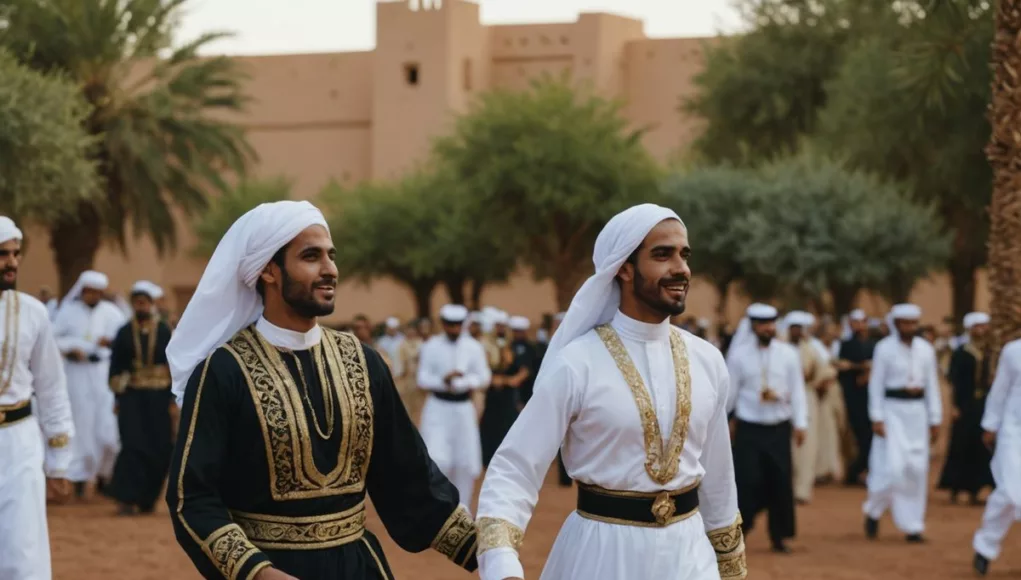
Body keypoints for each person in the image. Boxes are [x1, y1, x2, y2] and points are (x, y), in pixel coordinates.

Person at [165, 201, 478, 580]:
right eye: (311, 257)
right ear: (268, 270)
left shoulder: (363, 362)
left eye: (331, 256)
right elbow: (192, 498)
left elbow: (408, 478)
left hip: (358, 569)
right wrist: (258, 573)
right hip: (267, 570)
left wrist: (486, 551)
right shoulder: (223, 370)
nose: (330, 270)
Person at [476, 204, 746, 580]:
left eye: (684, 254)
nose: (681, 268)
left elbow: (718, 475)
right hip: (600, 554)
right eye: (662, 254)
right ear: (624, 267)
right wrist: (502, 564)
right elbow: (515, 467)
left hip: (690, 555)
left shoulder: (708, 360)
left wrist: (730, 566)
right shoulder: (577, 362)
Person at [0, 217, 74, 580]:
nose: (11, 262)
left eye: (15, 253)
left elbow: (52, 388)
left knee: (21, 550)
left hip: (19, 444)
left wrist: (59, 460)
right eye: (2, 254)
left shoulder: (33, 312)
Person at [726, 303, 807, 553]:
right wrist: (723, 421)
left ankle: (779, 536)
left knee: (780, 482)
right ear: (753, 326)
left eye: (771, 323)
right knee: (748, 481)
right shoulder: (738, 355)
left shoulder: (788, 354)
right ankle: (742, 529)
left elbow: (798, 391)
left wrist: (801, 423)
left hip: (779, 429)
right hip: (750, 430)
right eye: (762, 324)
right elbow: (730, 394)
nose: (768, 328)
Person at [863, 303, 941, 543]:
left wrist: (935, 418)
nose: (909, 327)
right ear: (896, 325)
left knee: (916, 470)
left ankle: (913, 526)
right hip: (892, 412)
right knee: (892, 469)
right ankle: (873, 510)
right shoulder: (884, 349)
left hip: (917, 414)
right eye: (905, 323)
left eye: (913, 323)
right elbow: (876, 384)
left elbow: (932, 386)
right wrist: (877, 417)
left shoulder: (926, 350)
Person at [52, 269, 126, 498]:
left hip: (103, 374)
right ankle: (79, 479)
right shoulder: (68, 312)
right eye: (90, 292)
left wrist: (110, 342)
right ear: (83, 291)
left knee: (107, 429)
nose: (94, 296)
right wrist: (71, 348)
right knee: (81, 426)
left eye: (98, 292)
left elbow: (126, 342)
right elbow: (53, 339)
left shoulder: (112, 313)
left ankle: (105, 475)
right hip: (77, 374)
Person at [106, 281, 175, 515]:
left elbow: (175, 365)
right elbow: (115, 366)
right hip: (132, 397)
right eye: (137, 302)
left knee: (160, 447)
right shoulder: (124, 332)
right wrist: (119, 393)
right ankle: (126, 498)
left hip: (158, 398)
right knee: (133, 445)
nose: (141, 306)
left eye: (144, 302)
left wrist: (174, 398)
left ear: (151, 304)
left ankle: (147, 498)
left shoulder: (165, 331)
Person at [416, 304, 491, 509]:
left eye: (458, 325)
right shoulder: (431, 346)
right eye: (450, 325)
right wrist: (444, 380)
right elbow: (422, 378)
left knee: (466, 462)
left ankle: (463, 509)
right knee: (438, 459)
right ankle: (440, 510)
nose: (454, 329)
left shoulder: (473, 347)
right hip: (437, 407)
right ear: (443, 324)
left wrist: (463, 382)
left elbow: (484, 377)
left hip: (463, 408)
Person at [972, 337, 1021, 576]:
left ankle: (984, 547)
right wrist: (990, 424)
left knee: (1007, 495)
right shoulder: (1013, 351)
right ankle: (986, 543)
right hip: (1014, 431)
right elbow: (1000, 389)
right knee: (1013, 492)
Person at [938, 312, 995, 505]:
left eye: (984, 326)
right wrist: (954, 406)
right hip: (965, 404)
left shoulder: (988, 352)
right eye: (978, 326)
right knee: (961, 444)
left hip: (983, 404)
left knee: (981, 446)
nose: (982, 330)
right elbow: (954, 380)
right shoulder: (961, 352)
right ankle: (956, 486)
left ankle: (976, 489)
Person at [784, 311, 834, 505]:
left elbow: (828, 372)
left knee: (806, 444)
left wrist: (816, 382)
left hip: (807, 397)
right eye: (793, 328)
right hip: (783, 400)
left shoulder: (812, 349)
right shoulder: (780, 348)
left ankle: (802, 490)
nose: (796, 331)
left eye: (799, 328)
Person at [480, 314, 529, 466]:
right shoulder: (485, 345)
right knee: (489, 425)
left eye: (503, 326)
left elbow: (523, 370)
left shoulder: (513, 346)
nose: (500, 329)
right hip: (490, 391)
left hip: (508, 394)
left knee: (508, 425)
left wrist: (508, 381)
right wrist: (492, 380)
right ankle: (487, 459)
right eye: (498, 325)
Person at [837, 309, 875, 486]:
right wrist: (861, 368)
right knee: (858, 437)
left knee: (870, 437)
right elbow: (842, 368)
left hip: (872, 398)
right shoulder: (846, 345)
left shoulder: (873, 344)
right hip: (853, 398)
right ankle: (854, 472)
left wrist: (868, 371)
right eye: (856, 322)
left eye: (862, 321)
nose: (859, 325)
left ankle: (859, 471)